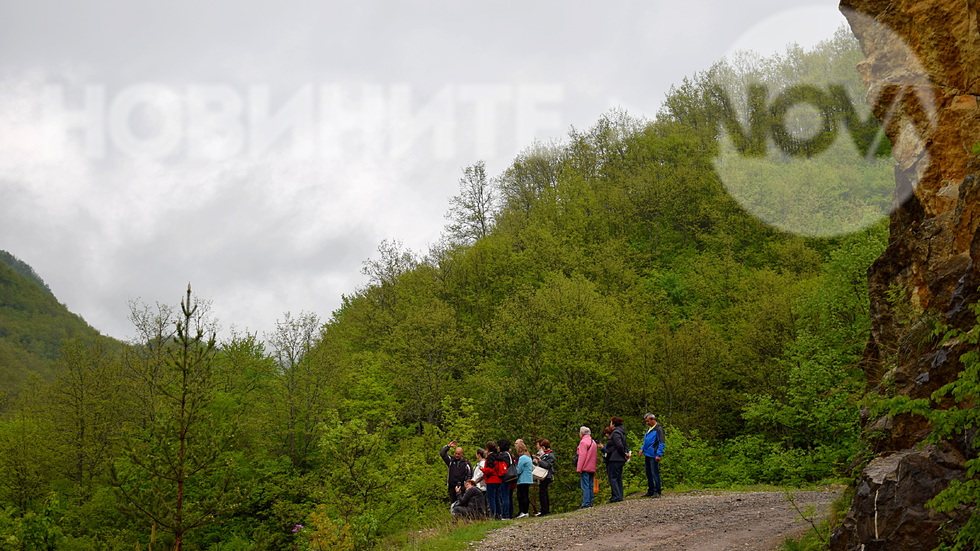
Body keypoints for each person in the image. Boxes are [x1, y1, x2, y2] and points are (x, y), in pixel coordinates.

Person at [602, 417, 629, 503]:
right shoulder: (622, 432)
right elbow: (624, 445)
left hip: (615, 458)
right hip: (619, 458)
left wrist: (623, 454)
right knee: (618, 477)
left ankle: (616, 496)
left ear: (613, 424)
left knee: (613, 477)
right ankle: (619, 495)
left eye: (611, 423)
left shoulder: (616, 433)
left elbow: (619, 445)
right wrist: (625, 453)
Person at [642, 413, 666, 497]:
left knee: (654, 473)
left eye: (648, 421)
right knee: (648, 473)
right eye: (646, 421)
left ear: (653, 419)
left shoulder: (658, 429)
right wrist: (642, 448)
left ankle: (657, 490)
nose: (647, 423)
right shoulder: (649, 429)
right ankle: (651, 490)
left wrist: (659, 454)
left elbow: (661, 442)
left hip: (654, 454)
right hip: (647, 453)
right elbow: (646, 441)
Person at [575, 426, 598, 509]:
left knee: (585, 486)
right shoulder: (593, 442)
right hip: (592, 467)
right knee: (590, 485)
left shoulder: (583, 442)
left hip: (585, 467)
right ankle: (590, 502)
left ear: (581, 434)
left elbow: (582, 456)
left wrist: (579, 468)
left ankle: (585, 503)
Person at [482, 441, 504, 519]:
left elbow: (490, 469)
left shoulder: (491, 457)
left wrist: (483, 470)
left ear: (487, 449)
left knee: (491, 498)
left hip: (491, 479)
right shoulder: (499, 456)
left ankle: (493, 514)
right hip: (499, 479)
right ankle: (499, 514)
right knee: (497, 497)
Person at [533, 439, 556, 516]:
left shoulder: (550, 455)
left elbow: (548, 465)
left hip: (546, 475)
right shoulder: (545, 454)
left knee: (543, 493)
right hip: (543, 475)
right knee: (542, 493)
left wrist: (540, 461)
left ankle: (545, 510)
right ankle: (544, 510)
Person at [514, 441, 534, 518]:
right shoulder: (528, 457)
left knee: (521, 495)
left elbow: (519, 470)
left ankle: (523, 511)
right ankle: (526, 511)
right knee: (526, 495)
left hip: (522, 479)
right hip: (528, 478)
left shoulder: (522, 458)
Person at [496, 439, 514, 519]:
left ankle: (505, 514)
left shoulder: (504, 455)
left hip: (504, 477)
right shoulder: (509, 454)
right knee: (507, 496)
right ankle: (508, 513)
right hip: (508, 477)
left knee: (504, 496)